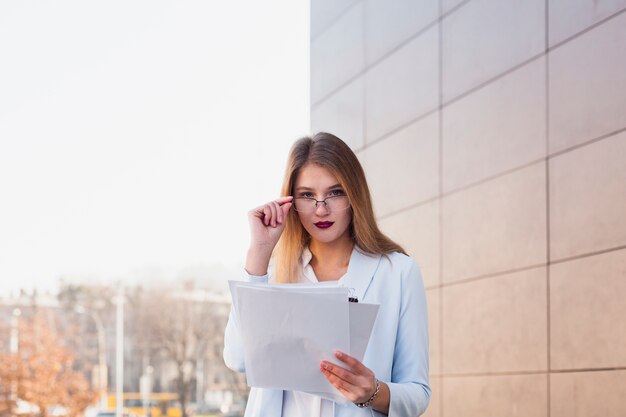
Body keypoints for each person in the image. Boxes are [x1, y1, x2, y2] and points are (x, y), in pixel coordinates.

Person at [223, 132, 430, 417]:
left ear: (354, 195)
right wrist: (259, 254)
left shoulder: (398, 273)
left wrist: (372, 392)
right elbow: (238, 358)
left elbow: (418, 393)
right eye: (307, 195)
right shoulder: (273, 273)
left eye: (335, 192)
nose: (321, 209)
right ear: (291, 201)